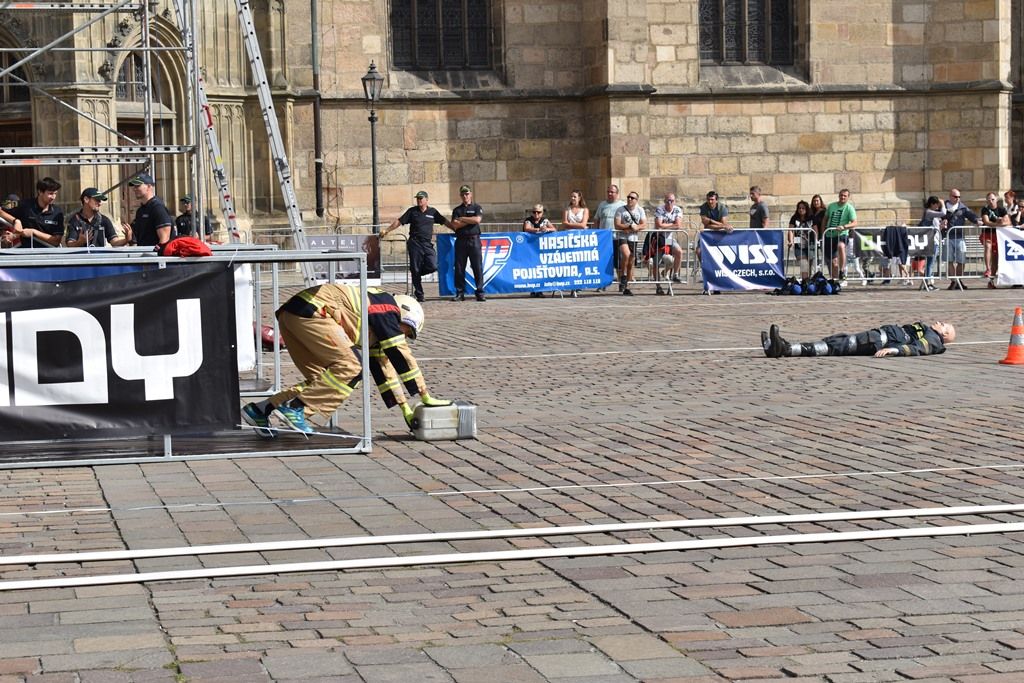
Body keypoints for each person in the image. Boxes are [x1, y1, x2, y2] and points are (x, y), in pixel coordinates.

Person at [242, 284, 449, 437]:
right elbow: (402, 354)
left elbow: (385, 370)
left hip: (292, 315)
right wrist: (424, 395)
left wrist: (405, 408)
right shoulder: (387, 309)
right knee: (352, 367)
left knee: (323, 381)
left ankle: (260, 410)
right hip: (315, 312)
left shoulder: (377, 319)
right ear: (404, 314)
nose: (403, 336)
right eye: (407, 331)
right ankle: (297, 408)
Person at [761, 321, 955, 359]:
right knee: (835, 341)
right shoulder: (929, 333)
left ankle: (785, 349)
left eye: (943, 325)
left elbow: (918, 349)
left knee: (835, 346)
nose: (939, 323)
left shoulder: (933, 340)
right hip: (876, 337)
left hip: (878, 341)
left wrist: (894, 350)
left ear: (944, 335)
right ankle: (780, 347)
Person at [382, 190, 446, 302]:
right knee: (415, 268)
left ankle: (417, 273)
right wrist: (387, 230)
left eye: (421, 198)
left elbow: (444, 221)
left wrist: (455, 228)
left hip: (427, 243)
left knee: (433, 265)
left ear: (426, 200)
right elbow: (399, 221)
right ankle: (420, 294)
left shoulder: (433, 212)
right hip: (415, 243)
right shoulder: (412, 211)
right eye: (417, 199)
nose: (419, 200)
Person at [0, 177, 64, 248]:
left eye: (55, 194)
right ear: (40, 192)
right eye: (50, 193)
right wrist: (16, 221)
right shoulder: (24, 204)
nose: (53, 197)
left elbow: (56, 241)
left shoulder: (58, 212)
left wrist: (34, 232)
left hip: (49, 252)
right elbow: (3, 205)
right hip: (26, 251)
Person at [449, 184, 485, 302]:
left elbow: (477, 220)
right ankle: (460, 293)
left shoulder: (476, 207)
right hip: (461, 240)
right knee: (459, 267)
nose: (465, 196)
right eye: (463, 194)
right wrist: (470, 220)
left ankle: (480, 292)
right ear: (460, 196)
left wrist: (462, 218)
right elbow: (455, 224)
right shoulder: (457, 210)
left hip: (474, 240)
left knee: (477, 267)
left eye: (467, 194)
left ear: (471, 194)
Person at [64, 187, 128, 247]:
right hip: (82, 255)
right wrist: (79, 242)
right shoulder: (74, 220)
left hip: (99, 255)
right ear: (86, 199)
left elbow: (114, 241)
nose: (100, 203)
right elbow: (69, 244)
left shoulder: (104, 220)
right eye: (97, 200)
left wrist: (126, 240)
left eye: (100, 201)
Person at [122, 173, 173, 248]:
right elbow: (136, 239)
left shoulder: (157, 208)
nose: (134, 189)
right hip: (144, 253)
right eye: (134, 186)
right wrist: (129, 237)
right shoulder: (140, 210)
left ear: (149, 186)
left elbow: (164, 239)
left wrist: (158, 254)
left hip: (154, 254)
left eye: (138, 186)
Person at [648, 192, 685, 294]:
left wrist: (665, 225)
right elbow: (658, 225)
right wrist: (672, 224)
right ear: (664, 201)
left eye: (671, 201)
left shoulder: (677, 210)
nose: (669, 203)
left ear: (674, 201)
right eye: (668, 201)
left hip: (669, 239)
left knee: (679, 252)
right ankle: (658, 286)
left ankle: (675, 274)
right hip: (659, 238)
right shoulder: (660, 209)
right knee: (656, 262)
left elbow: (678, 225)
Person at [943, 188, 980, 290]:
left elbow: (971, 215)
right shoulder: (943, 207)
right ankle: (954, 281)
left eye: (959, 197)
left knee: (961, 260)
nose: (957, 199)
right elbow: (937, 217)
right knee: (949, 260)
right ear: (950, 196)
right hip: (947, 237)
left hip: (959, 237)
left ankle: (958, 280)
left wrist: (977, 220)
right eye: (955, 197)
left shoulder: (962, 208)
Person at [592, 184, 625, 291]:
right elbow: (597, 219)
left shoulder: (622, 205)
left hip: (617, 237)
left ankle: (621, 283)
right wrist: (596, 233)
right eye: (608, 192)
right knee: (603, 262)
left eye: (612, 192)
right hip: (604, 239)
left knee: (618, 262)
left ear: (617, 193)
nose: (610, 194)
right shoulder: (602, 204)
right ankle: (603, 283)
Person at [697, 190, 731, 295]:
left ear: (716, 200)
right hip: (707, 235)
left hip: (720, 236)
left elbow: (723, 223)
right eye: (708, 199)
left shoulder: (722, 208)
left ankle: (718, 284)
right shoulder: (704, 207)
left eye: (712, 199)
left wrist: (712, 222)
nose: (710, 201)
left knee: (719, 259)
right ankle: (707, 275)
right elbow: (706, 224)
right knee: (699, 251)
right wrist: (718, 224)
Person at [614, 191, 645, 296]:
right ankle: (623, 275)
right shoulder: (620, 209)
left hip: (633, 238)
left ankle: (627, 285)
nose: (629, 199)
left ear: (636, 200)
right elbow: (617, 225)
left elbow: (643, 224)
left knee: (631, 261)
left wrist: (637, 227)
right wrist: (628, 226)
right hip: (622, 236)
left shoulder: (640, 210)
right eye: (628, 197)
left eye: (632, 198)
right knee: (626, 254)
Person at [821, 189, 857, 280]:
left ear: (848, 197)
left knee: (841, 246)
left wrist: (844, 226)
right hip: (829, 235)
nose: (842, 197)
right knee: (833, 262)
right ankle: (835, 281)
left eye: (845, 196)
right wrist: (823, 233)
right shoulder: (831, 206)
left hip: (842, 234)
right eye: (841, 195)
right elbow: (825, 219)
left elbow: (854, 223)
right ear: (839, 196)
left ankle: (842, 270)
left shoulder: (849, 208)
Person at [561, 191, 589, 298]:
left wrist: (571, 225)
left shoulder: (584, 210)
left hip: (580, 238)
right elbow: (564, 223)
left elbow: (583, 224)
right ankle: (570, 283)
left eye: (574, 196)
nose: (572, 198)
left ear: (579, 198)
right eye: (571, 196)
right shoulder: (567, 210)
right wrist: (578, 225)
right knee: (569, 261)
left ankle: (578, 283)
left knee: (579, 261)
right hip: (568, 237)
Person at [979, 191, 1009, 288]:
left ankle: (991, 280)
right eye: (988, 200)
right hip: (987, 233)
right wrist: (997, 224)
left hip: (998, 235)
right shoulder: (985, 209)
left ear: (996, 199)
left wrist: (1001, 222)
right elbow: (986, 221)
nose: (990, 201)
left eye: (992, 199)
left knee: (995, 257)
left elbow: (1007, 221)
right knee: (988, 246)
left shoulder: (1002, 209)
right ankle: (988, 268)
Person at [917, 195, 945, 290]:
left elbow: (936, 227)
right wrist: (943, 204)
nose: (938, 206)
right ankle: (928, 283)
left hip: (935, 240)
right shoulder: (929, 212)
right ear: (932, 204)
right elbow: (943, 213)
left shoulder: (932, 213)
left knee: (931, 263)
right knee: (930, 263)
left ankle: (926, 282)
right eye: (937, 204)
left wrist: (941, 226)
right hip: (931, 241)